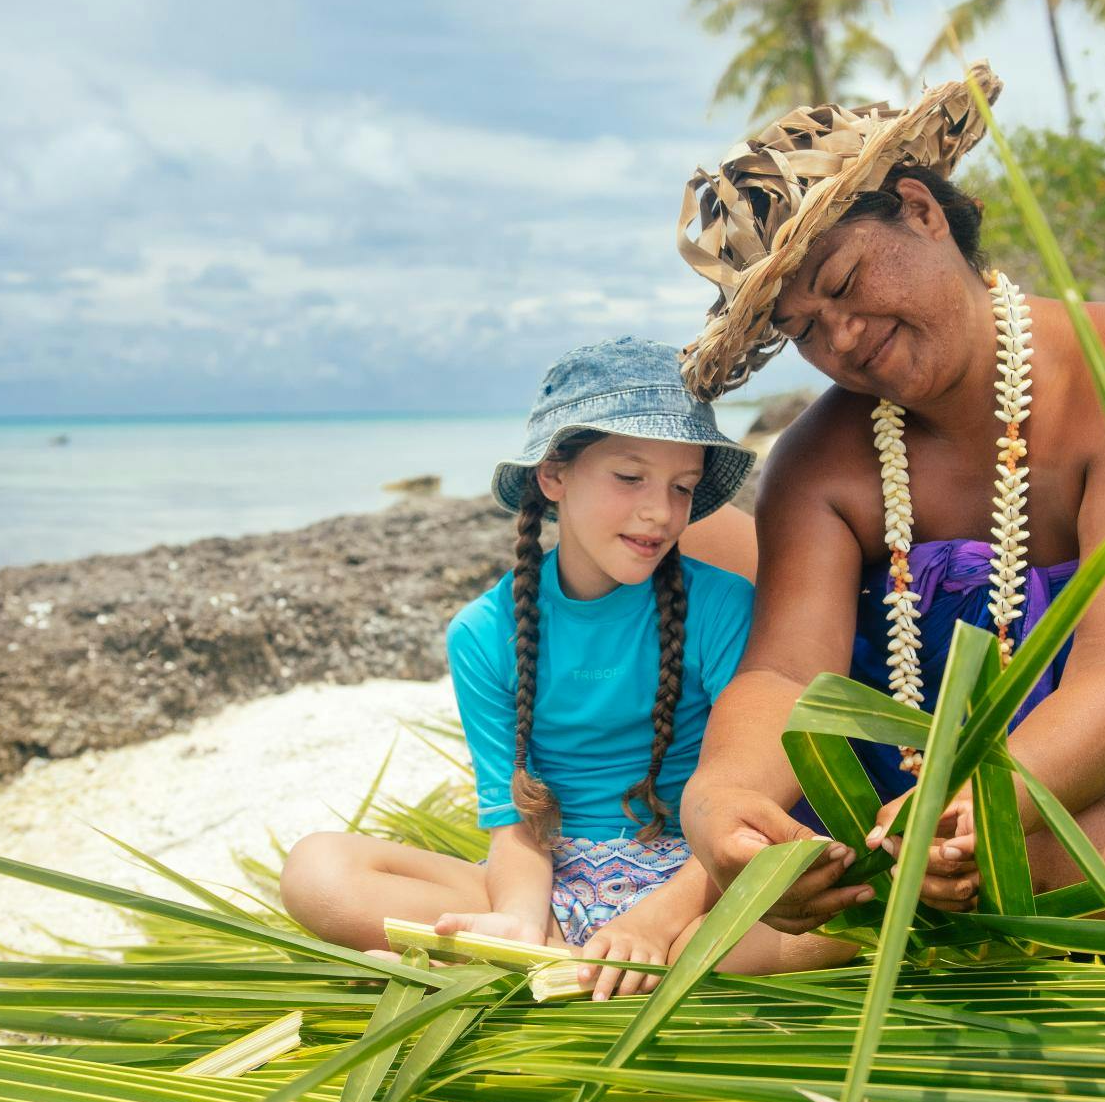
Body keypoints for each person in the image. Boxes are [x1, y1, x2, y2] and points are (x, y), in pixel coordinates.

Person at [672, 66, 1105, 939]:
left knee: (998, 891)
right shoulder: (818, 464)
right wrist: (721, 799)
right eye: (804, 329)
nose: (844, 339)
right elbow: (787, 671)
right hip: (879, 826)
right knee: (752, 927)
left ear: (921, 209)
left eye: (844, 281)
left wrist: (988, 806)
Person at [280, 338, 843, 998]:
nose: (659, 512)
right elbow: (514, 822)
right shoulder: (483, 635)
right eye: (629, 478)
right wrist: (517, 918)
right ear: (554, 475)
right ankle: (558, 952)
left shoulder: (720, 607)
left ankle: (639, 958)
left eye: (682, 487)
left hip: (700, 881)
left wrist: (657, 917)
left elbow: (746, 800)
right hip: (554, 885)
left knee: (831, 921)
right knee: (315, 869)